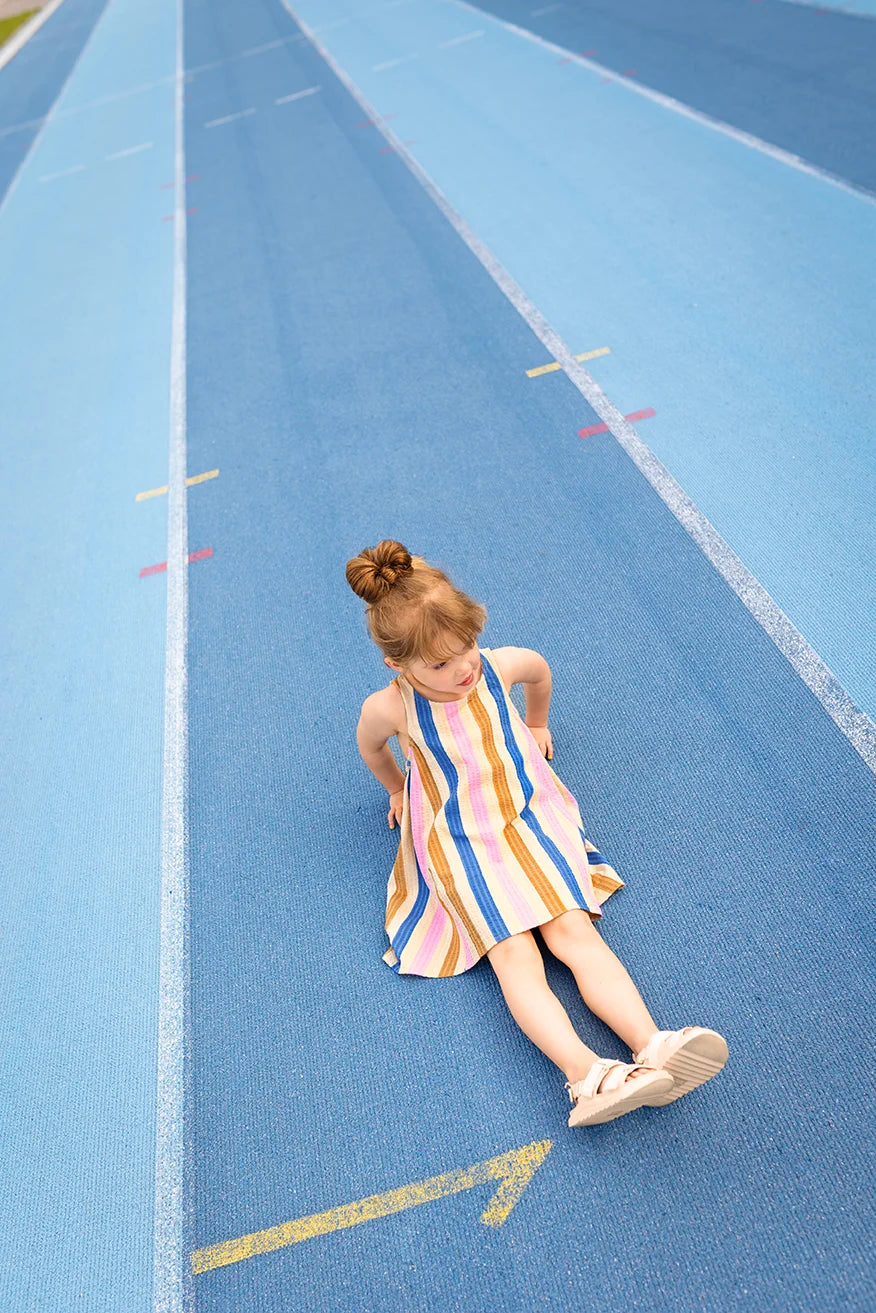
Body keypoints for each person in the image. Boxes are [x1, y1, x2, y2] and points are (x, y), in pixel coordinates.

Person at [346, 539, 728, 1128]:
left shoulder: (498, 667)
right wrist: (397, 789)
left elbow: (541, 672)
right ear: (398, 666)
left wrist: (537, 721)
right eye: (440, 665)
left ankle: (651, 1045)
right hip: (459, 841)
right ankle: (586, 1074)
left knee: (574, 931)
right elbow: (370, 747)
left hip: (524, 815)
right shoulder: (390, 708)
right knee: (515, 955)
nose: (463, 669)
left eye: (466, 648)